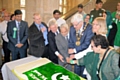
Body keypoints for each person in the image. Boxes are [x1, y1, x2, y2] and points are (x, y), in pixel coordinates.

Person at [68, 13, 94, 78]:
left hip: (85, 55)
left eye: (75, 25)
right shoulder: (72, 28)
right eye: (73, 24)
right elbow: (70, 41)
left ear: (81, 22)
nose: (74, 27)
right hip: (75, 55)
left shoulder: (89, 28)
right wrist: (71, 53)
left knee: (83, 74)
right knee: (76, 73)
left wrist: (74, 50)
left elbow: (86, 44)